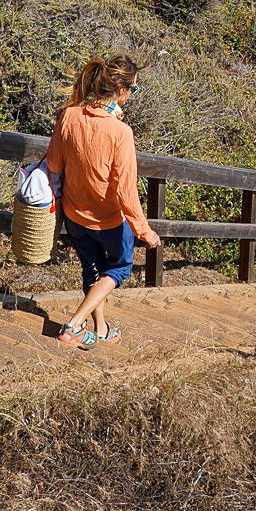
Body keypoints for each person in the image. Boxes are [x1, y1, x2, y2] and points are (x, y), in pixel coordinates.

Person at [45, 54, 161, 349]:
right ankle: (72, 326)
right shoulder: (120, 132)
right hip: (108, 219)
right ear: (122, 90)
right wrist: (143, 230)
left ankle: (101, 329)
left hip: (74, 215)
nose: (132, 95)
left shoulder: (68, 116)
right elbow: (125, 190)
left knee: (93, 271)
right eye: (133, 89)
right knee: (119, 269)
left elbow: (55, 165)